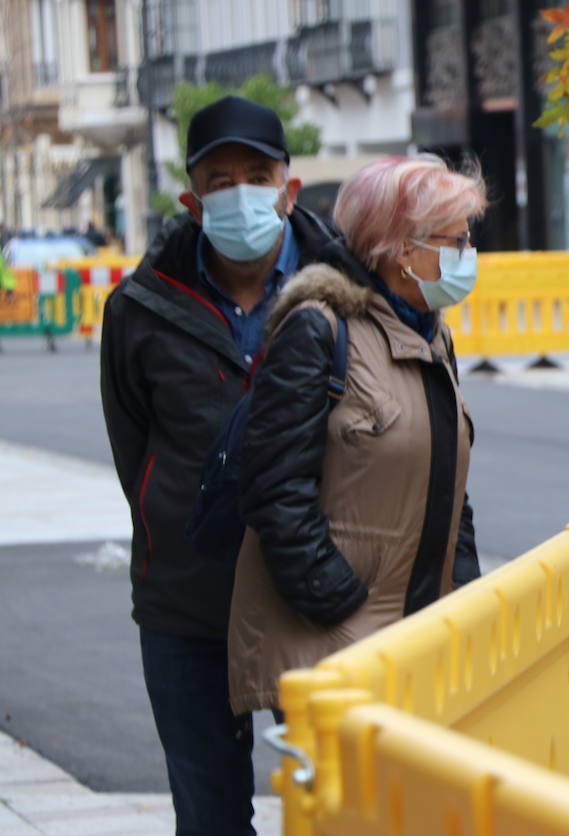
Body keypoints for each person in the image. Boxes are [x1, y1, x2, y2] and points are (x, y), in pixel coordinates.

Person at [100, 96, 342, 836]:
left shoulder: (347, 295)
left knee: (339, 810)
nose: (241, 190)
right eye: (220, 178)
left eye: (257, 173)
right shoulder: (140, 308)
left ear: (289, 189)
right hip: (187, 611)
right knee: (208, 819)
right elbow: (132, 448)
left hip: (317, 608)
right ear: (193, 201)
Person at [227, 155, 482, 716]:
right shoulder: (317, 329)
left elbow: (446, 483)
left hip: (414, 638)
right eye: (456, 241)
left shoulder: (432, 336)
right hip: (337, 647)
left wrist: (463, 583)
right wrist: (338, 601)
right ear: (402, 249)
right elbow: (273, 487)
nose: (468, 255)